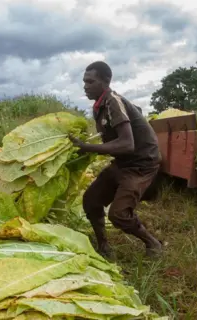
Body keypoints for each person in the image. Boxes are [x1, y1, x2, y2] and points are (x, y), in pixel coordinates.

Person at [68, 61, 163, 258]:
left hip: (141, 164)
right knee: (91, 200)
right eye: (84, 81)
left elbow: (127, 144)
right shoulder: (98, 107)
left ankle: (153, 244)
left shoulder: (113, 101)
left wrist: (87, 148)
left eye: (90, 81)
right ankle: (104, 247)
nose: (85, 85)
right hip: (123, 162)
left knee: (118, 214)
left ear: (106, 81)